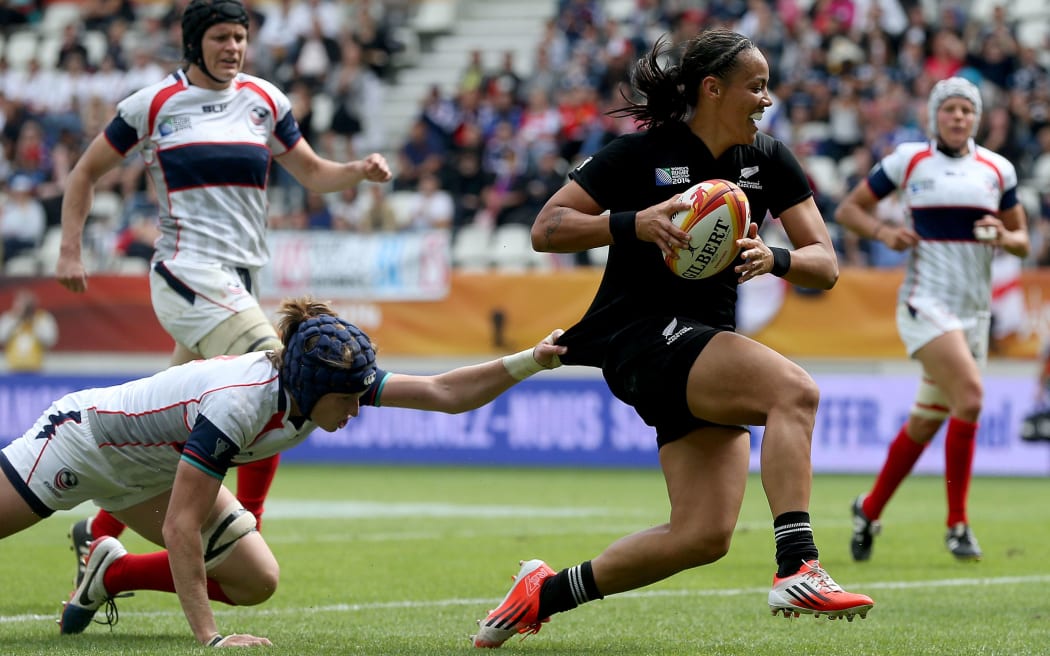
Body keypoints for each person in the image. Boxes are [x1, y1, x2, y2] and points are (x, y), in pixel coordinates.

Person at [470, 29, 874, 649]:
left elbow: (827, 262)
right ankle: (798, 565)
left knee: (702, 536)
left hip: (700, 346)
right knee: (794, 392)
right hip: (638, 339)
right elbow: (546, 228)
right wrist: (633, 223)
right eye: (756, 86)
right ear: (713, 89)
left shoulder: (767, 159)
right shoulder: (640, 155)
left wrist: (777, 258)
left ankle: (542, 593)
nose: (767, 99)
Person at [0, 296, 566, 647]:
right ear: (314, 390)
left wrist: (528, 361)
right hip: (81, 444)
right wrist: (211, 640)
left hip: (150, 470)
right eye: (346, 402)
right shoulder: (238, 405)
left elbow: (444, 391)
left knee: (256, 580)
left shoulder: (315, 382)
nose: (354, 410)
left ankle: (106, 571)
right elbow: (179, 527)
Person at [55, 0, 393, 581]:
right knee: (281, 372)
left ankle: (100, 537)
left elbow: (311, 172)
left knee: (165, 426)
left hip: (239, 279)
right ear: (195, 44)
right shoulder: (152, 105)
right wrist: (69, 246)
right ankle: (251, 525)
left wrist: (357, 170)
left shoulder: (264, 99)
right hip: (186, 272)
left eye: (240, 37)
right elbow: (85, 173)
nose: (233, 47)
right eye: (221, 38)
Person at [834, 76, 1029, 562]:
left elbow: (1023, 238)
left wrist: (1002, 236)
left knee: (925, 422)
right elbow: (848, 209)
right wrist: (883, 230)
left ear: (977, 118)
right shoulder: (909, 160)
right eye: (950, 109)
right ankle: (958, 524)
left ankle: (869, 508)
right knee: (972, 395)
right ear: (935, 116)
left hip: (973, 312)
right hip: (926, 303)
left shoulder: (997, 170)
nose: (959, 117)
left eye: (967, 110)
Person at [0, 289, 58, 371]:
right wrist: (17, 319)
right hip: (12, 369)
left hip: (37, 369)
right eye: (21, 302)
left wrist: (33, 320)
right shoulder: (8, 318)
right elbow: (2, 338)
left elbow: (49, 340)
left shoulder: (42, 318)